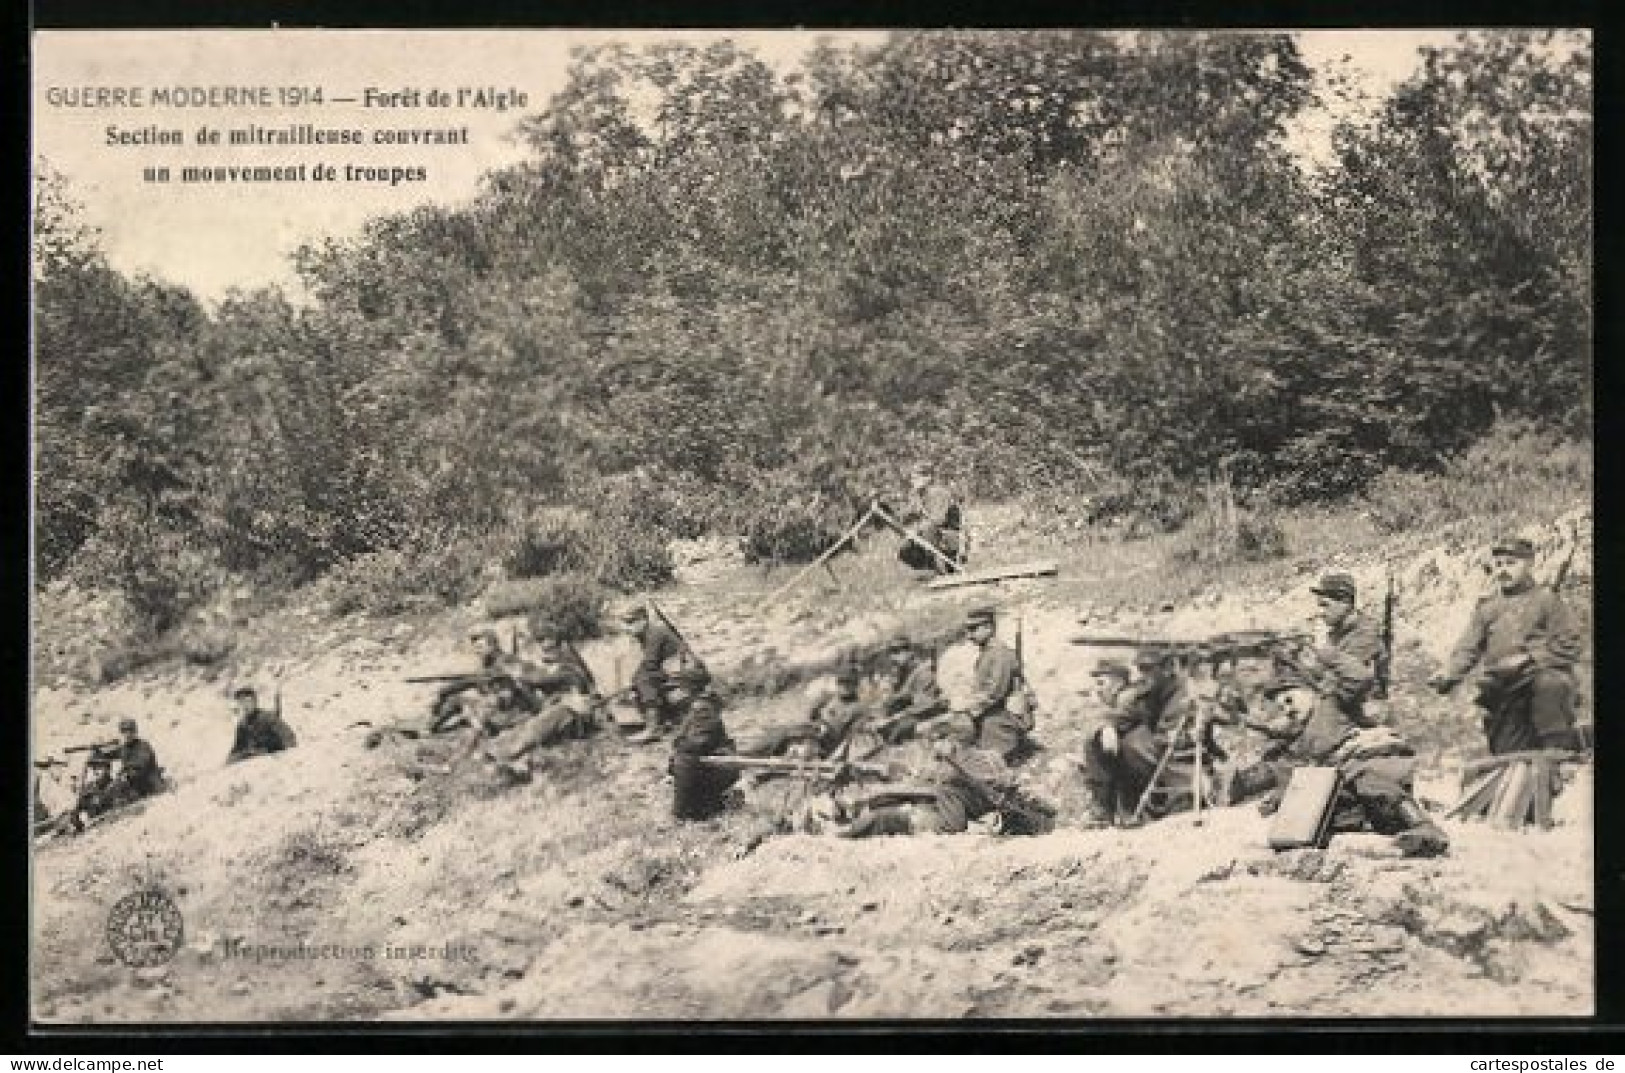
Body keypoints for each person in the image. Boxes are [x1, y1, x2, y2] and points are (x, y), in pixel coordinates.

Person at [1235, 671, 1448, 858]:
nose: (1287, 708)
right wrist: (1276, 797)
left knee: (1364, 778)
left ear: (1310, 692)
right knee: (1332, 806)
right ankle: (1396, 834)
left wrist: (1324, 656)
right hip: (1349, 777)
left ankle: (1424, 827)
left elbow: (1359, 678)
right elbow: (1295, 772)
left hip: (1378, 758)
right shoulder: (1303, 737)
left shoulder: (1333, 703)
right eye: (1281, 707)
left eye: (1290, 700)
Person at [1429, 537, 1583, 754]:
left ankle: (1558, 753)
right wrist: (1449, 673)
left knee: (1549, 685)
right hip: (1503, 689)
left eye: (1511, 563)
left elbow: (1571, 644)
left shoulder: (1547, 600)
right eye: (1499, 564)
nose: (1503, 570)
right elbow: (1468, 647)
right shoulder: (1487, 608)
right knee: (1508, 760)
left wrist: (1530, 659)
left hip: (1542, 683)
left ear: (1529, 564)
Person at [1081, 647, 1199, 824]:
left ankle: (1152, 809)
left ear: (1168, 668)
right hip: (1155, 757)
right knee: (1097, 739)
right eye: (1141, 669)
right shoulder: (1148, 692)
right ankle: (1103, 812)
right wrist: (1108, 727)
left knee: (1133, 741)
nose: (1143, 675)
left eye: (1148, 669)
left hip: (1181, 762)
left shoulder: (1187, 693)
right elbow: (1123, 713)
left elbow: (1184, 741)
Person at [479, 625, 599, 782]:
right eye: (540, 642)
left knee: (542, 721)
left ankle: (505, 752)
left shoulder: (570, 665)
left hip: (576, 716)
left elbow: (541, 679)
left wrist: (518, 675)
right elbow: (539, 677)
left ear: (562, 645)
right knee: (532, 720)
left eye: (548, 643)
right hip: (564, 714)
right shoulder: (555, 664)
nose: (543, 647)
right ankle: (500, 749)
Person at [831, 738, 1007, 837]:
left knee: (881, 816)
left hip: (932, 817)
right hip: (936, 810)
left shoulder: (957, 778)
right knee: (883, 810)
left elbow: (950, 816)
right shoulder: (965, 770)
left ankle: (843, 834)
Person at [940, 605, 1032, 761]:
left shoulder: (1000, 654)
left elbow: (995, 693)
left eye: (973, 629)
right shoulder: (988, 653)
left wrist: (966, 706)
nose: (969, 635)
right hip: (991, 714)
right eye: (968, 630)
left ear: (988, 627)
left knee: (984, 763)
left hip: (1003, 719)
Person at [1294, 573, 1385, 727]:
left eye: (1325, 605)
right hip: (1341, 709)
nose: (1321, 612)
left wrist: (1320, 652)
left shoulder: (1367, 633)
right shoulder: (1337, 633)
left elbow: (1345, 679)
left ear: (1345, 602)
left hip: (1363, 716)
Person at [618, 602, 692, 741]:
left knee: (643, 679)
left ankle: (654, 729)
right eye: (626, 623)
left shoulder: (655, 633)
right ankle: (662, 721)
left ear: (643, 620)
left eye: (631, 622)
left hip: (684, 670)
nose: (628, 627)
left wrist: (631, 684)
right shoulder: (646, 634)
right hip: (673, 668)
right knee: (640, 677)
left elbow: (650, 664)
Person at [1078, 659, 1136, 826]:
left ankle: (1103, 811)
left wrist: (1105, 726)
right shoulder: (1123, 697)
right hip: (1141, 753)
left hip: (1148, 755)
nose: (1098, 689)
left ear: (1118, 683)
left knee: (1094, 742)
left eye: (1101, 683)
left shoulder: (1128, 696)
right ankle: (1107, 810)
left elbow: (1121, 717)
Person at [670, 690, 739, 821]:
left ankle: (684, 813)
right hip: (701, 765)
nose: (697, 713)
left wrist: (684, 746)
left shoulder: (712, 722)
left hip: (719, 768)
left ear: (712, 709)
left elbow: (699, 744)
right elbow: (677, 742)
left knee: (684, 762)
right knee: (683, 761)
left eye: (703, 709)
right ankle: (685, 812)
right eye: (694, 709)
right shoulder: (690, 721)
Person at [873, 632, 947, 745]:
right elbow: (899, 697)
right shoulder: (902, 672)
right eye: (891, 652)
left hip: (926, 715)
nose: (893, 657)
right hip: (911, 714)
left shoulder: (923, 673)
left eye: (897, 652)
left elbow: (925, 705)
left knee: (896, 731)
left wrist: (894, 718)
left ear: (909, 652)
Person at [897, 468, 965, 573]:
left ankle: (946, 566)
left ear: (928, 478)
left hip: (951, 535)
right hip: (934, 534)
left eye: (916, 478)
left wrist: (916, 529)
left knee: (927, 529)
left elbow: (938, 520)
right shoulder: (918, 495)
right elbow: (903, 518)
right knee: (905, 550)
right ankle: (934, 569)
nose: (912, 481)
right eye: (912, 478)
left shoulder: (938, 493)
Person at [226, 686, 298, 764]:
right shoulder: (242, 725)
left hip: (273, 760)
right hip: (253, 761)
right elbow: (237, 748)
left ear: (255, 702)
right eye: (241, 702)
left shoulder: (268, 718)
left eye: (247, 701)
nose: (245, 706)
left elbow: (288, 738)